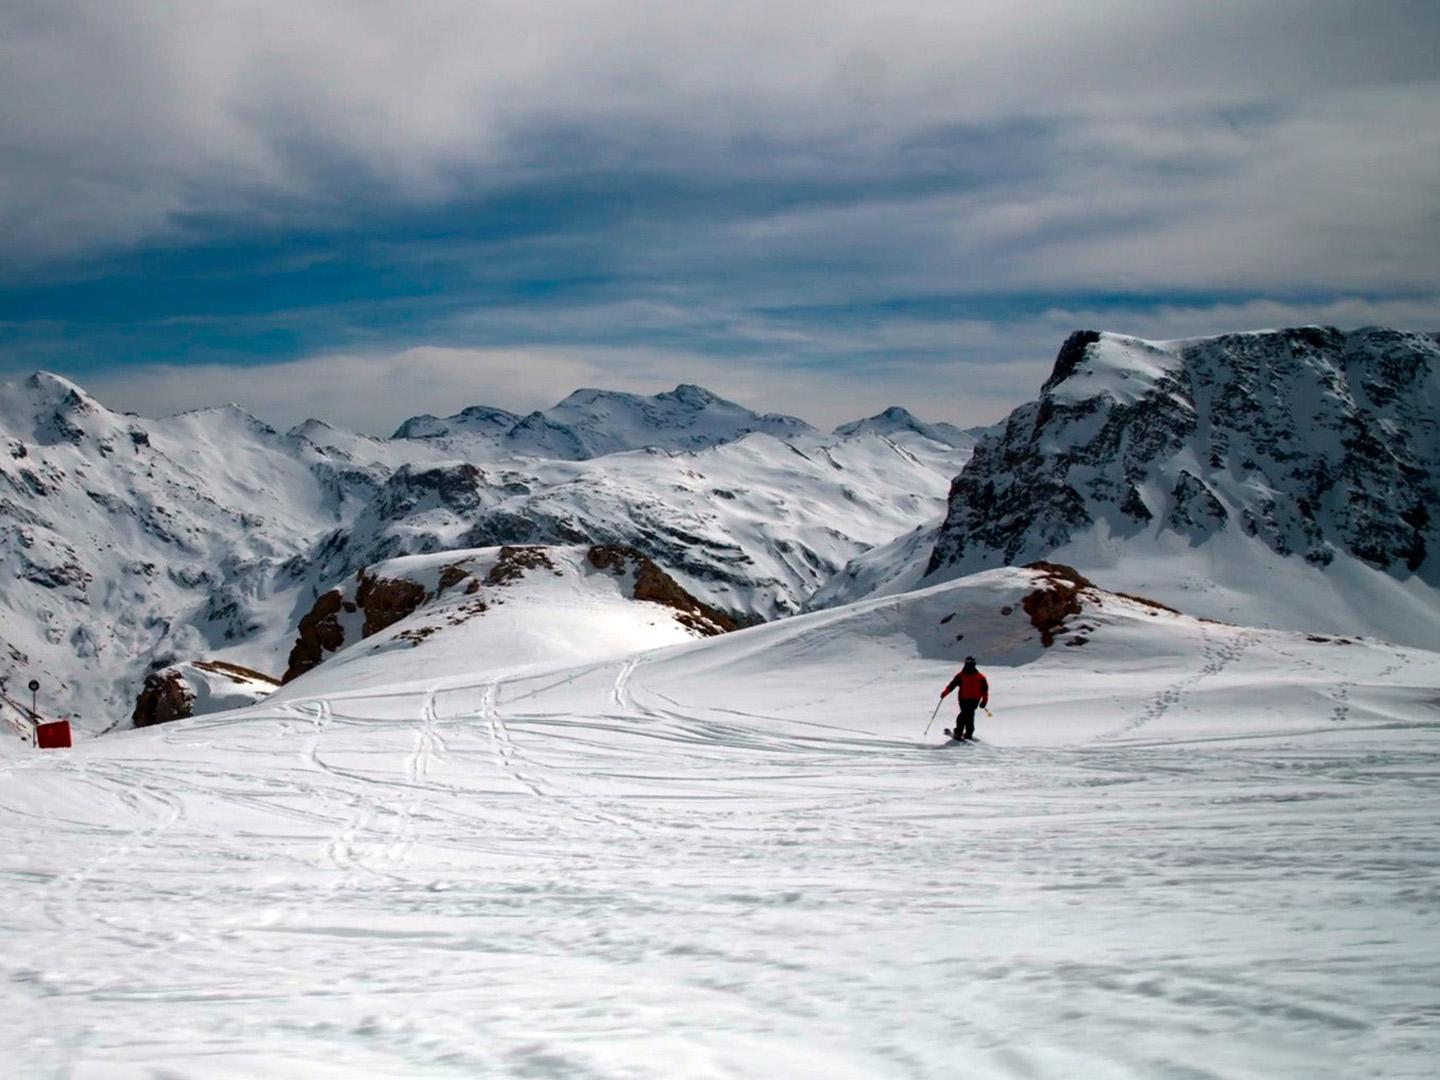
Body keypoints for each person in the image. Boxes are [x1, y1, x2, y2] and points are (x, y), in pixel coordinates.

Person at [940, 657, 989, 741]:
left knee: (963, 716)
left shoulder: (963, 676)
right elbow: (985, 690)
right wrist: (984, 701)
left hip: (965, 699)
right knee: (969, 715)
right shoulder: (980, 677)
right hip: (972, 700)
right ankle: (968, 733)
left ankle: (959, 733)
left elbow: (951, 686)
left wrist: (944, 693)